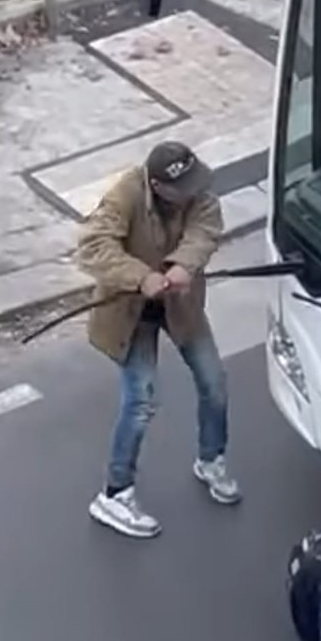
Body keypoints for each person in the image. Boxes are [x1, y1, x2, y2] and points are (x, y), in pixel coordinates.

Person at [76, 140, 241, 539]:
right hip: (130, 316)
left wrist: (183, 265)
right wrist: (141, 277)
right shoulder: (125, 194)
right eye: (182, 188)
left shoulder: (197, 192)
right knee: (140, 402)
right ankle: (115, 493)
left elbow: (207, 228)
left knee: (214, 382)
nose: (193, 192)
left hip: (180, 307)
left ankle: (211, 459)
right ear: (157, 185)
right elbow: (93, 247)